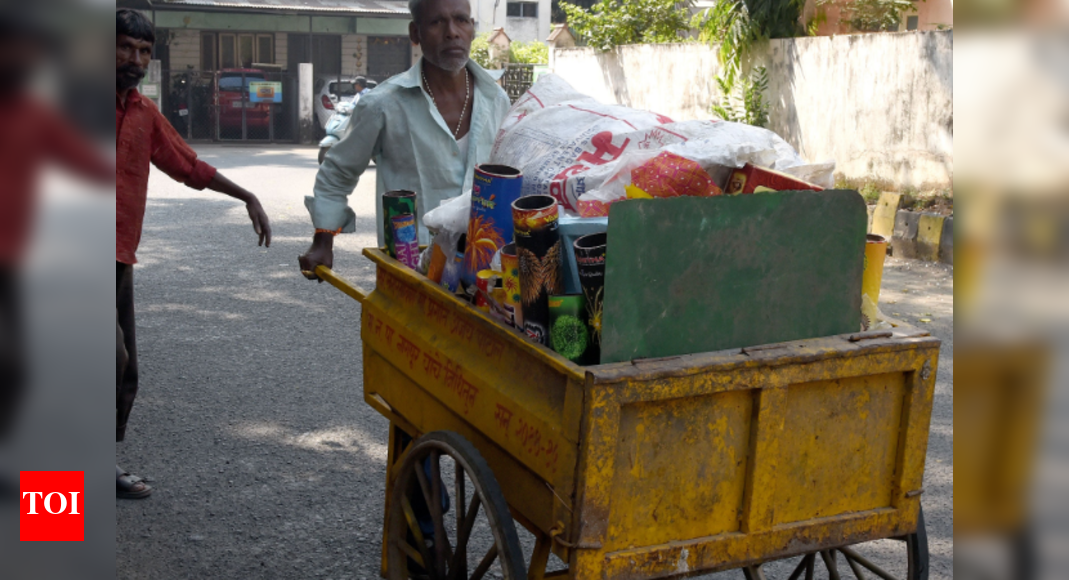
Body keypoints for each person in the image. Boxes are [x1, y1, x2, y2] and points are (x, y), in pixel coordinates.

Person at [115, 8, 272, 499]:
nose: (134, 59)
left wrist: (246, 195)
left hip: (119, 258)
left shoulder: (143, 113)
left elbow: (187, 164)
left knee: (124, 371)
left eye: (143, 51)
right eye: (124, 47)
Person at [298, 0, 511, 279]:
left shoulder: (497, 101)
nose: (452, 32)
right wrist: (323, 240)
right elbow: (338, 171)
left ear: (472, 28)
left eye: (461, 20)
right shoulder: (383, 105)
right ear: (415, 33)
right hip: (409, 273)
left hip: (485, 274)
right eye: (436, 22)